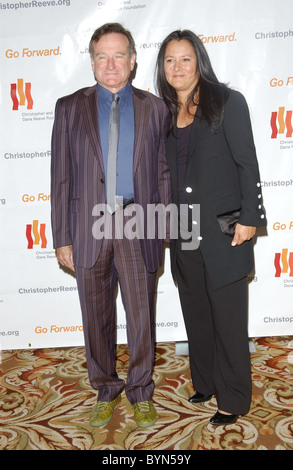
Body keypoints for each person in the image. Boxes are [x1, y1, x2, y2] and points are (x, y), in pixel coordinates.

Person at [51, 23, 171, 428]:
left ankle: (141, 390)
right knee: (95, 316)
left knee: (141, 316)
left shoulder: (155, 108)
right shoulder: (69, 107)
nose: (111, 64)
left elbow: (163, 172)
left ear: (133, 60)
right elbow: (61, 177)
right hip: (88, 227)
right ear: (92, 62)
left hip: (140, 221)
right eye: (102, 56)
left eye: (119, 55)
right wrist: (62, 237)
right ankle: (105, 386)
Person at [156, 30, 267, 426]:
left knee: (228, 318)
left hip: (224, 230)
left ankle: (234, 398)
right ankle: (204, 382)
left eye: (185, 59)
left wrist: (251, 219)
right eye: (170, 60)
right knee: (197, 312)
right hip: (183, 231)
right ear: (162, 67)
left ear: (199, 61)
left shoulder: (227, 101)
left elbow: (247, 163)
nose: (178, 67)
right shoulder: (164, 113)